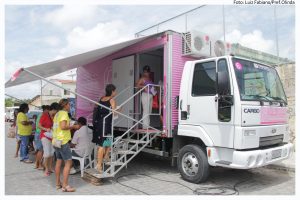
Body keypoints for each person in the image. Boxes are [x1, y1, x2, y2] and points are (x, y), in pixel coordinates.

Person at [52, 99, 79, 192]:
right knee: (68, 163)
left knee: (59, 162)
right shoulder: (64, 114)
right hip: (63, 141)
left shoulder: (57, 114)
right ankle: (65, 185)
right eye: (69, 105)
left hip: (56, 141)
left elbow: (59, 126)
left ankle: (58, 183)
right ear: (66, 105)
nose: (70, 107)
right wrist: (73, 126)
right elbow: (63, 126)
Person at [92, 84, 118, 173]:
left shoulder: (101, 99)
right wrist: (119, 110)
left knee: (109, 140)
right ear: (112, 91)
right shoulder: (112, 100)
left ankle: (106, 156)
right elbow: (114, 114)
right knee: (102, 145)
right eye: (115, 91)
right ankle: (99, 165)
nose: (116, 92)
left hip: (99, 123)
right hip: (106, 124)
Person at [39, 103, 59, 176]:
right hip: (44, 136)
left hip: (51, 136)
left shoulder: (53, 116)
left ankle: (50, 168)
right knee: (47, 153)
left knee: (51, 153)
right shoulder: (45, 115)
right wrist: (45, 129)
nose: (56, 112)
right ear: (53, 109)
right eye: (56, 111)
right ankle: (46, 169)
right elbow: (39, 126)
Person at [34, 105, 49, 170]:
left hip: (38, 133)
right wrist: (46, 129)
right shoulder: (43, 116)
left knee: (39, 150)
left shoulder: (41, 115)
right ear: (46, 110)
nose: (49, 111)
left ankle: (37, 164)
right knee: (41, 150)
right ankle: (39, 165)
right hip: (40, 133)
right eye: (49, 110)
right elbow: (40, 126)